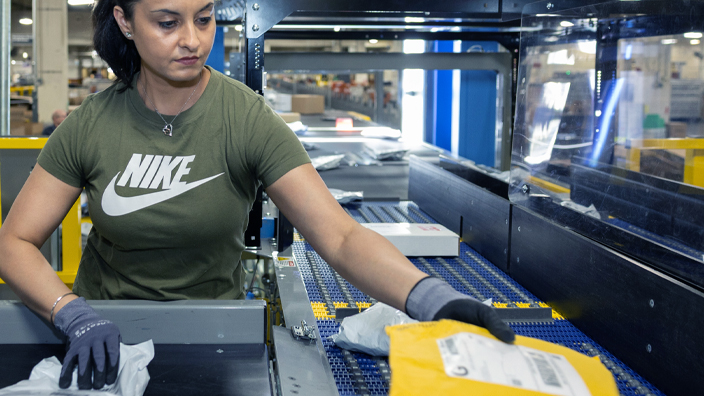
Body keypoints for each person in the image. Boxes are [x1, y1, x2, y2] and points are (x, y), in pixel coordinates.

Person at [0, 0, 515, 390]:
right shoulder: (90, 125)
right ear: (126, 22)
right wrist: (71, 312)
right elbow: (15, 240)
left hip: (216, 334)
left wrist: (431, 297)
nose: (192, 40)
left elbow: (338, 235)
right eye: (167, 22)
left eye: (204, 19)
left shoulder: (245, 119)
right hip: (102, 336)